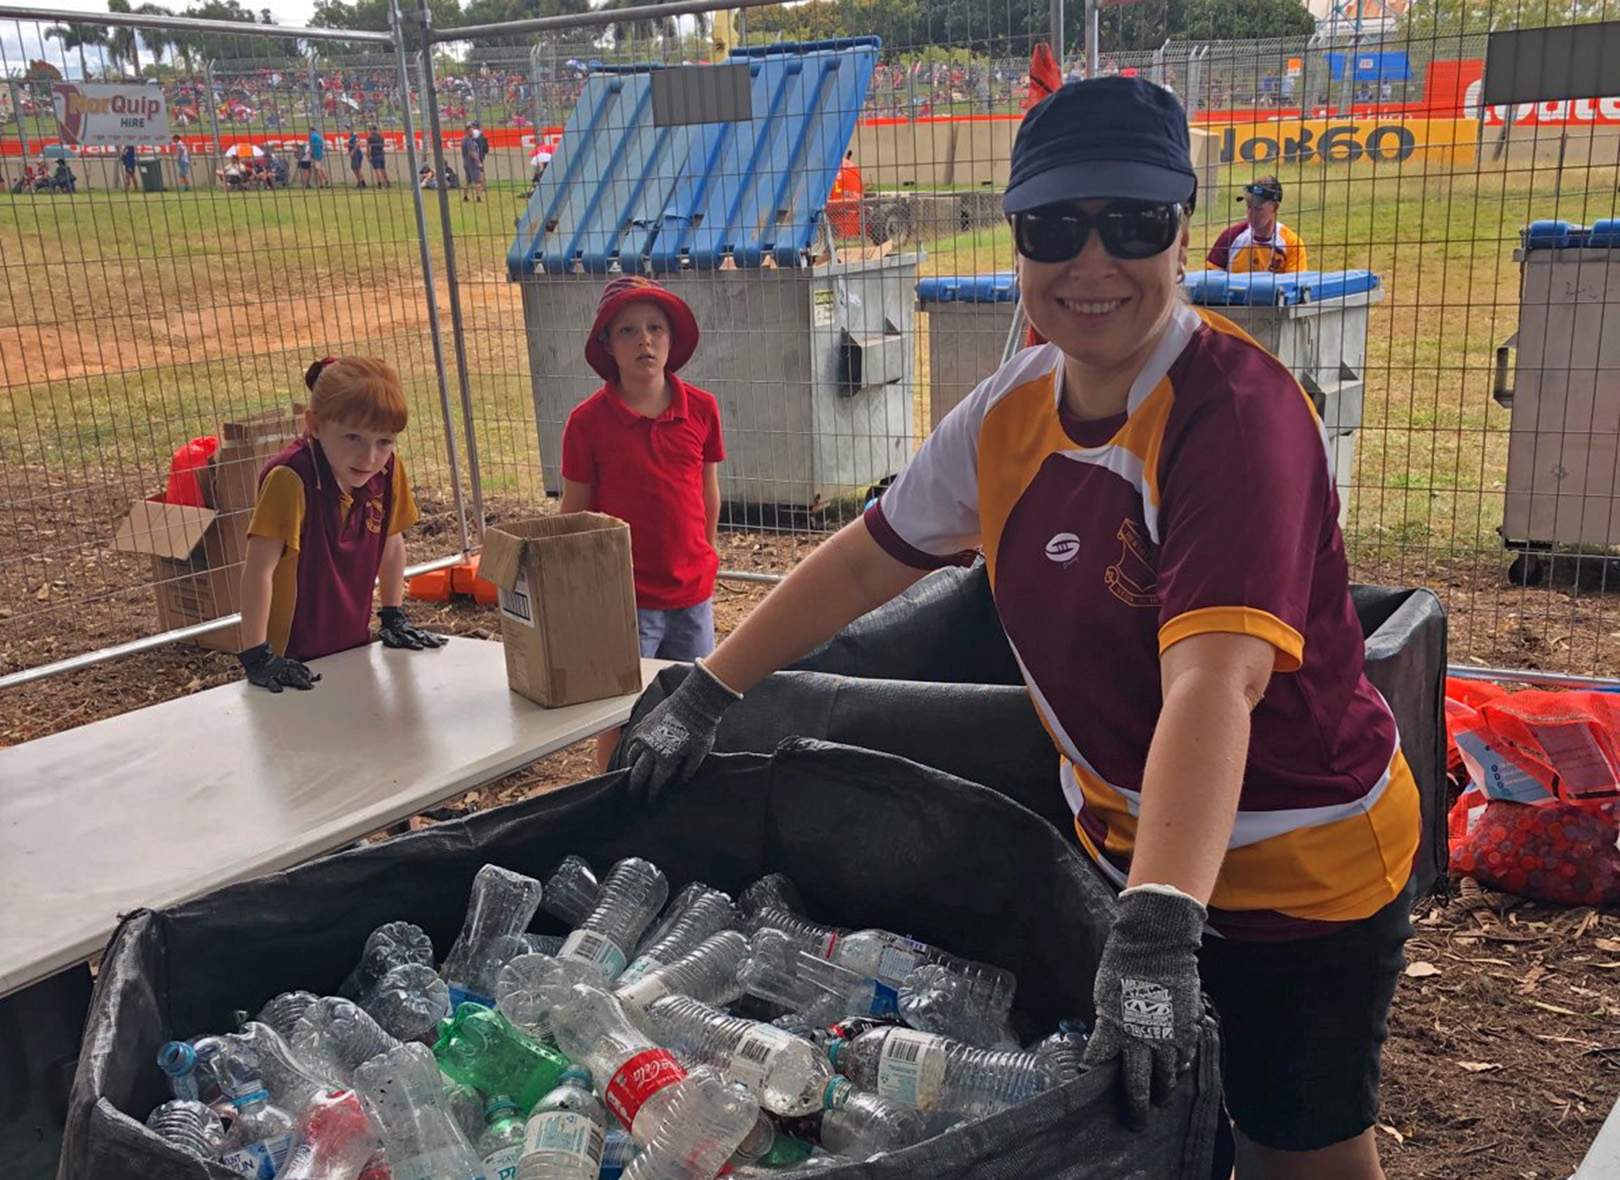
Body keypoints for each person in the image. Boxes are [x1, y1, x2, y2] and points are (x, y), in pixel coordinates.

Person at [619, 77, 1418, 1180]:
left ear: (1183, 229)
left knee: (1299, 1149)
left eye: (1132, 222)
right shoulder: (1014, 407)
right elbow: (868, 556)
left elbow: (1214, 683)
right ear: (1015, 238)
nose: (1092, 263)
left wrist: (1157, 927)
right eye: (1054, 227)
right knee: (1169, 1137)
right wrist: (714, 685)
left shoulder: (1234, 417)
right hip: (1131, 855)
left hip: (1296, 870)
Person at [560, 276, 724, 768]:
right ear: (607, 345)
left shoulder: (702, 409)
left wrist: (706, 553)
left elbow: (707, 490)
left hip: (691, 591)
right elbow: (575, 512)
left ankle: (683, 788)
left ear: (672, 340)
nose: (644, 340)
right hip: (626, 597)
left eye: (656, 328)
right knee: (620, 711)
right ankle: (609, 792)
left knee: (693, 704)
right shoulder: (587, 422)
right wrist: (577, 591)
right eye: (628, 331)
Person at [237, 356, 446, 692]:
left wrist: (393, 614)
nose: (369, 457)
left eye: (384, 441)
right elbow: (258, 569)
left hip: (351, 646)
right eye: (352, 437)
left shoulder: (388, 470)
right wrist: (257, 655)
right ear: (315, 425)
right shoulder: (290, 478)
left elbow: (392, 542)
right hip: (290, 655)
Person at [1205, 175, 1309, 275]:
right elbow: (1209, 278)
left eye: (1258, 209)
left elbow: (1294, 284)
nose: (1251, 213)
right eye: (1249, 206)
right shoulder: (1230, 236)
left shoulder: (1292, 244)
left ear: (1275, 207)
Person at [459, 124, 483, 201]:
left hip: (466, 162)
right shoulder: (469, 141)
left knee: (468, 181)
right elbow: (471, 153)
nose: (472, 132)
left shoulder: (463, 140)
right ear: (466, 131)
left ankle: (465, 196)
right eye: (470, 131)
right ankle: (478, 197)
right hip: (472, 163)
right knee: (478, 180)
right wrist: (478, 161)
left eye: (472, 131)